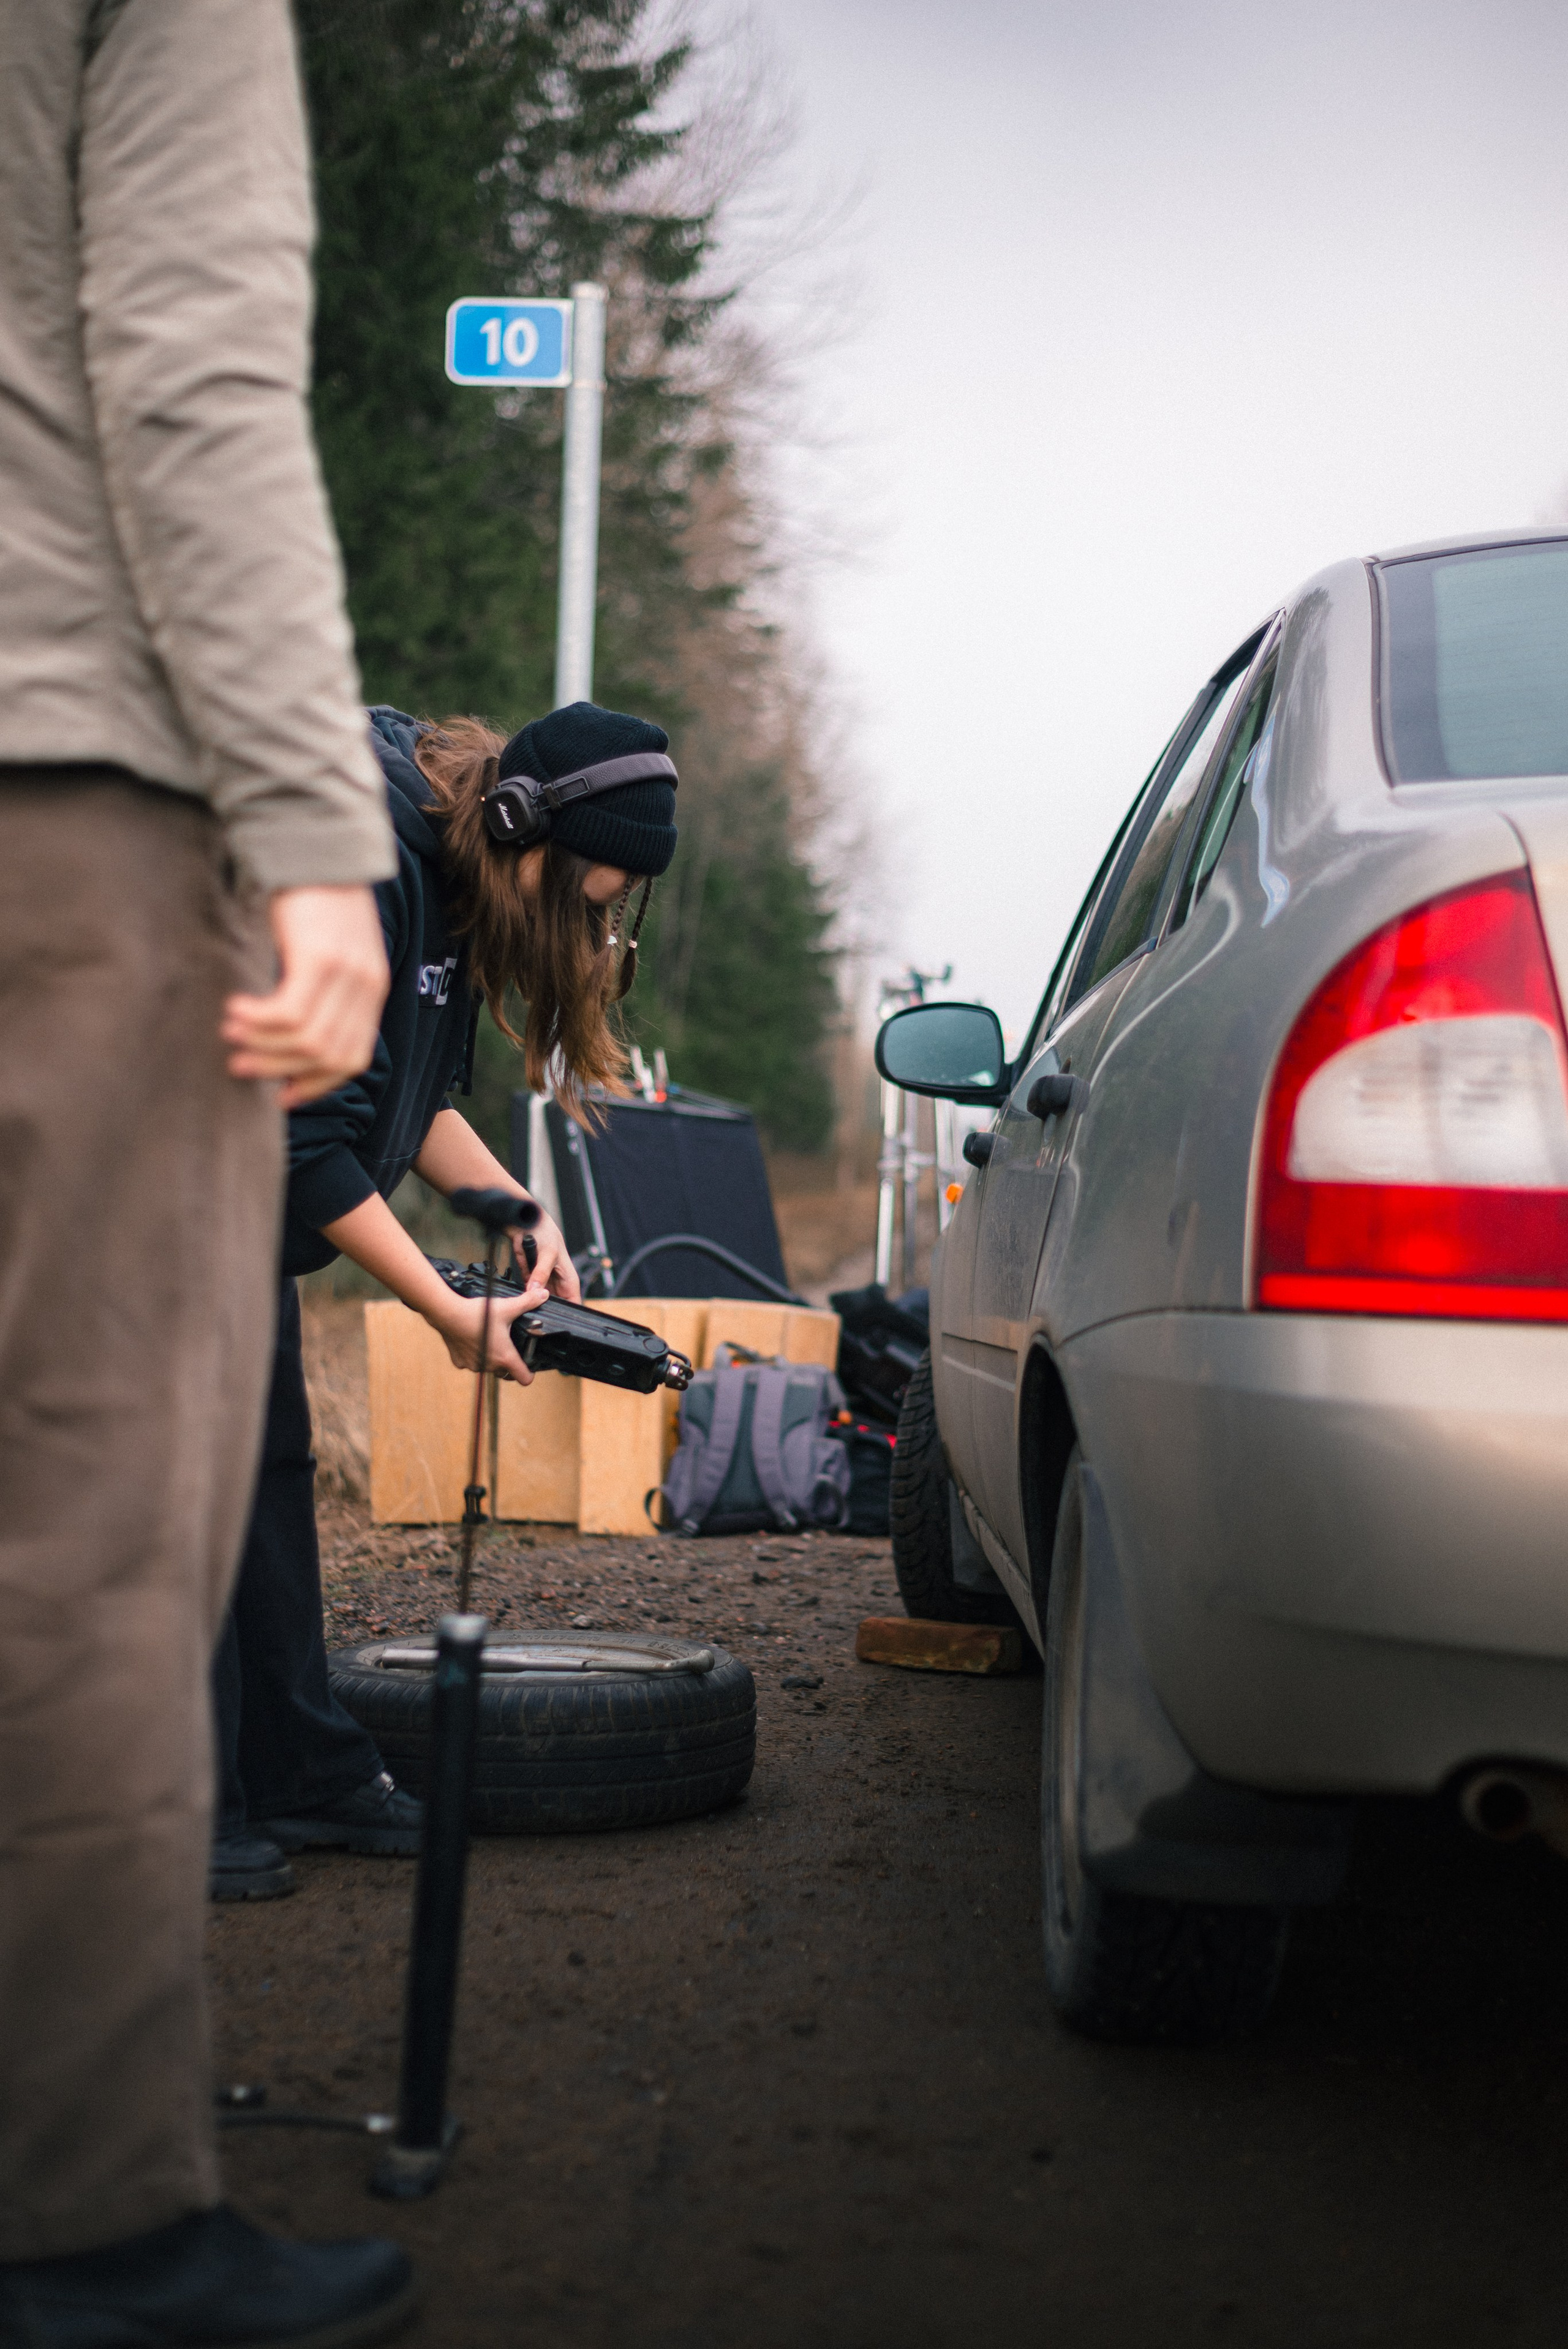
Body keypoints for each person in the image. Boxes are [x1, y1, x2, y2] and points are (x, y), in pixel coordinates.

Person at [0, 4, 424, 2342]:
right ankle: (82, 2215)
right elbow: (186, 367)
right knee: (76, 1525)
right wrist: (313, 829)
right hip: (56, 778)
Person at [211, 699, 679, 1899]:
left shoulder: (455, 883)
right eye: (589, 901)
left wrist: (518, 1216)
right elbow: (303, 1134)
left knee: (264, 1477)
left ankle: (300, 1771)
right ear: (525, 832)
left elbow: (406, 1102)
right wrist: (443, 1306)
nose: (596, 930)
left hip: (227, 1223)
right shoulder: (358, 860)